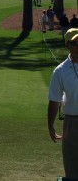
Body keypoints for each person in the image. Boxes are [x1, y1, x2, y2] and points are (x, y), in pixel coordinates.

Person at [48, 28, 78, 180]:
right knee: (72, 165)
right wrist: (51, 125)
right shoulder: (60, 71)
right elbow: (54, 99)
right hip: (72, 121)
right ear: (68, 45)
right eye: (75, 43)